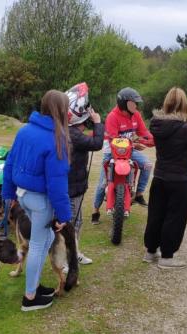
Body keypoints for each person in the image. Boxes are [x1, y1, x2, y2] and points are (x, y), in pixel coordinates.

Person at [2, 90, 72, 311]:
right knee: (39, 244)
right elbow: (57, 183)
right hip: (40, 201)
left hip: (23, 196)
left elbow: (10, 164)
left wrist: (8, 194)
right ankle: (30, 297)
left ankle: (34, 286)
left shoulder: (24, 131)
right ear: (61, 110)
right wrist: (64, 215)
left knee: (47, 236)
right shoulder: (57, 138)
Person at [143, 87, 187, 269]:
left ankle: (150, 251)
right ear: (183, 104)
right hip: (179, 179)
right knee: (175, 217)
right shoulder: (186, 127)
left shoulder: (156, 124)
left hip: (160, 175)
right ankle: (167, 257)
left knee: (156, 214)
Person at [91, 87, 154, 224]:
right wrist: (135, 144)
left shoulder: (136, 115)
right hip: (112, 153)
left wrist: (153, 139)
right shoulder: (112, 117)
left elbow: (143, 131)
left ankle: (138, 194)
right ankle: (95, 210)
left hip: (129, 151)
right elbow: (114, 140)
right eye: (133, 103)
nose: (136, 106)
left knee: (148, 165)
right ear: (124, 103)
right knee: (103, 184)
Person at [65, 83, 103, 265]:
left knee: (76, 222)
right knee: (70, 224)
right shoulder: (73, 134)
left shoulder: (70, 131)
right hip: (72, 188)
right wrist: (97, 123)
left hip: (76, 186)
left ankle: (75, 252)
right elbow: (97, 143)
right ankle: (66, 260)